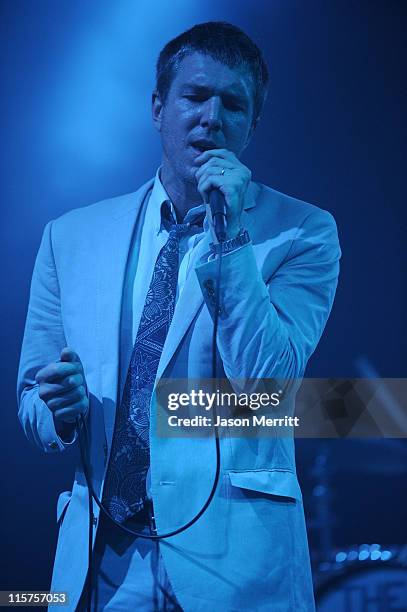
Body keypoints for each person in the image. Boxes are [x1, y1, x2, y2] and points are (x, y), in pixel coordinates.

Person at [17, 21, 340, 611]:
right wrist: (59, 412)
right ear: (158, 107)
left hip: (234, 564)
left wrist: (231, 235)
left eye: (233, 104)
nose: (212, 117)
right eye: (194, 96)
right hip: (102, 560)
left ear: (252, 124)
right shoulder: (72, 236)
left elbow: (268, 387)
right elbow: (32, 403)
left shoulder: (304, 231)